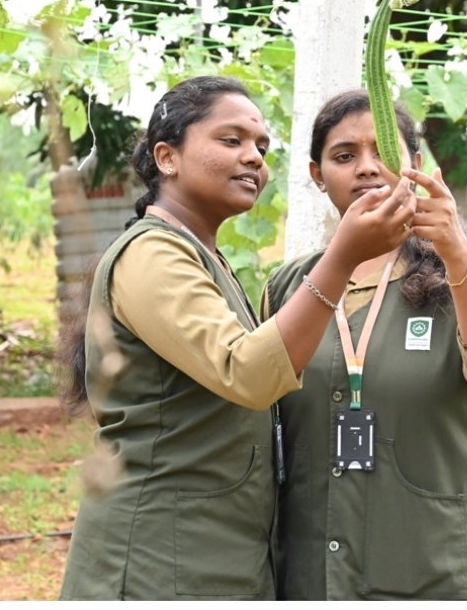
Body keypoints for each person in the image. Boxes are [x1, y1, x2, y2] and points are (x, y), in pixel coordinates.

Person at [59, 76, 413, 600]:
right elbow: (247, 372)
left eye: (261, 148)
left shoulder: (202, 257)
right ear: (167, 157)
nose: (253, 158)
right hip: (156, 562)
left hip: (208, 555)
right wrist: (343, 258)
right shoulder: (152, 254)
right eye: (232, 140)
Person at [265, 90, 467, 600]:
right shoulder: (287, 287)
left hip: (438, 562)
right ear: (317, 174)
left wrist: (455, 253)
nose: (366, 167)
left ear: (413, 163)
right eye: (344, 155)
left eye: (383, 152)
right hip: (315, 565)